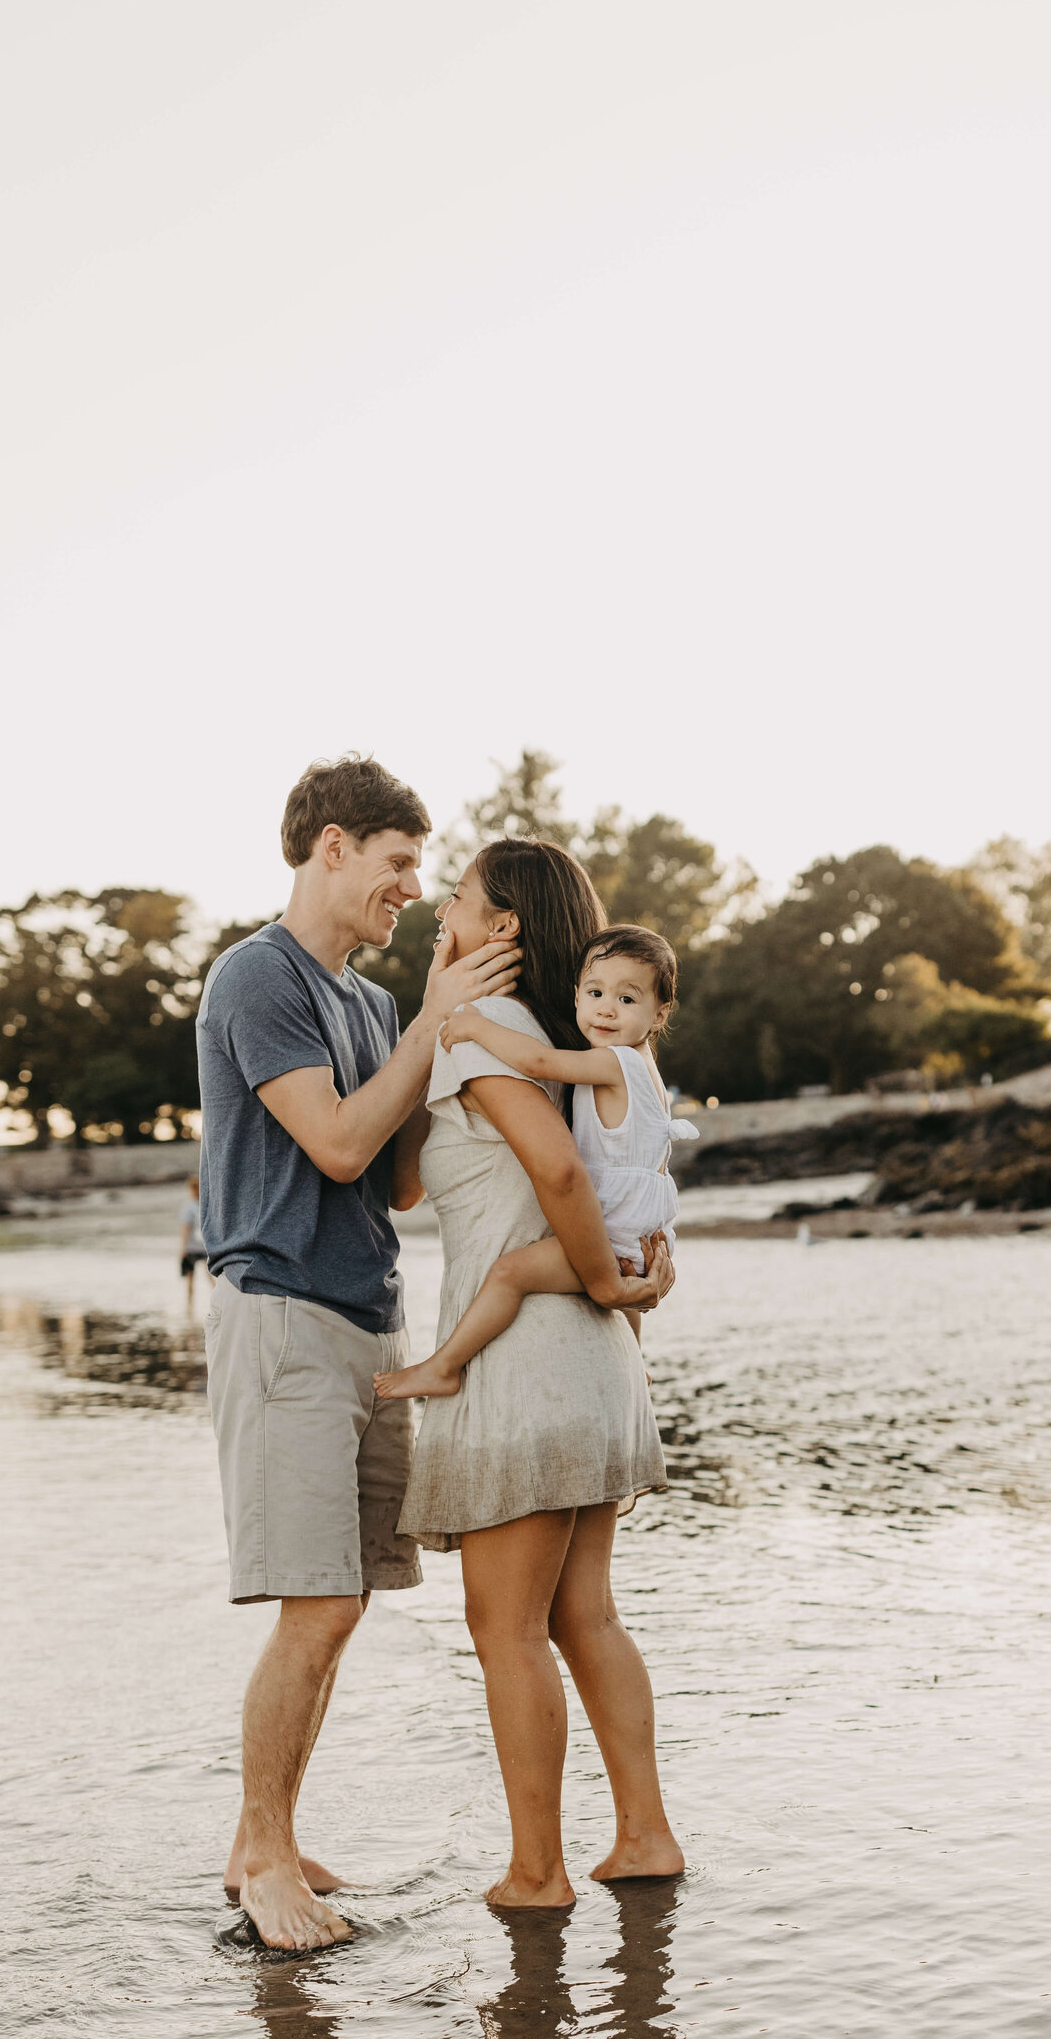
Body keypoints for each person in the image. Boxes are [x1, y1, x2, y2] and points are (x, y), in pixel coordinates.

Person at [196, 754, 527, 1953]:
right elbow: (335, 1142)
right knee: (317, 1600)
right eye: (397, 867)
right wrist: (432, 1020)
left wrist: (459, 1051)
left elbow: (390, 1173)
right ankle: (267, 1858)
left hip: (366, 1316)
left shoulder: (367, 1003)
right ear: (331, 846)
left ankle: (260, 1835)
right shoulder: (256, 977)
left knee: (340, 1608)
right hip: (281, 1314)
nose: (408, 890)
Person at [390, 840, 684, 1909]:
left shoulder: (498, 1031)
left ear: (503, 924)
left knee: (503, 1625)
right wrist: (430, 1015)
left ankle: (535, 1872)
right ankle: (643, 1836)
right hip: (586, 1361)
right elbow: (411, 1182)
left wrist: (607, 1284)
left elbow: (559, 1169)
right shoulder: (546, 1034)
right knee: (583, 1615)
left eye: (456, 896)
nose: (437, 906)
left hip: (529, 1359)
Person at [372, 923, 698, 1400]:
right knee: (620, 1299)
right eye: (595, 992)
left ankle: (443, 1366)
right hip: (638, 1232)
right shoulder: (646, 1071)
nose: (607, 1007)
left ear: (659, 1013)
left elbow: (540, 1063)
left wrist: (477, 1027)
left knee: (510, 1274)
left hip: (612, 1230)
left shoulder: (615, 1063)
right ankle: (636, 1361)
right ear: (576, 993)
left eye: (627, 1000)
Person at [178, 1173, 210, 1314]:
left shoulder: (189, 1207)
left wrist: (182, 1248)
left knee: (192, 1280)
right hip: (204, 1246)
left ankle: (189, 1307)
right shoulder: (206, 1204)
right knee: (209, 1277)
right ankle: (191, 1306)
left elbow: (185, 1229)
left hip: (193, 1247)